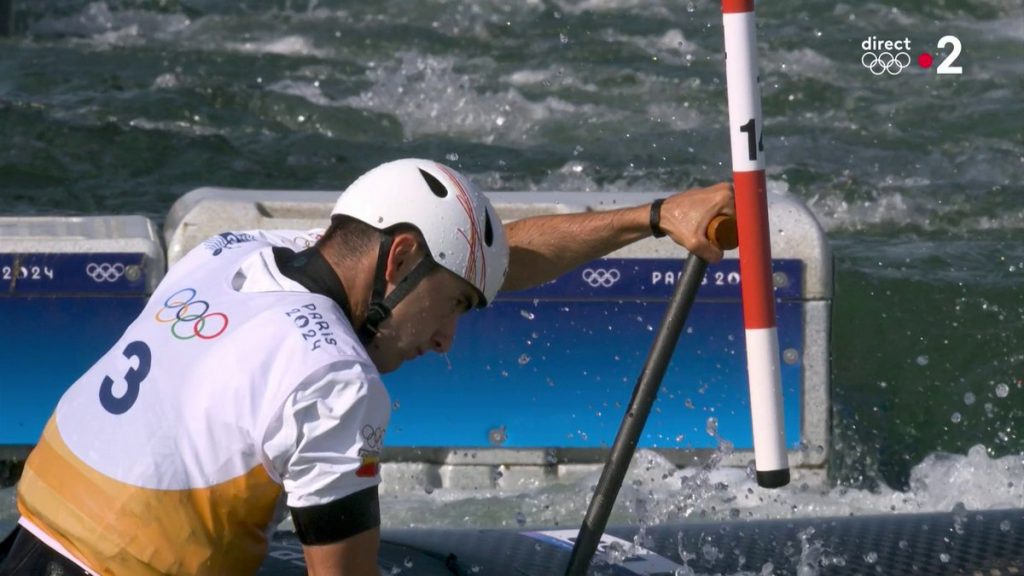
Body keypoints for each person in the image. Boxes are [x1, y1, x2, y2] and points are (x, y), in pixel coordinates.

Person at [1, 158, 734, 576]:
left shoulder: (231, 256)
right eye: (453, 307)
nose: (446, 340)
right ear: (402, 259)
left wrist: (654, 216)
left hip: (25, 543)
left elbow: (500, 256)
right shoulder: (335, 380)